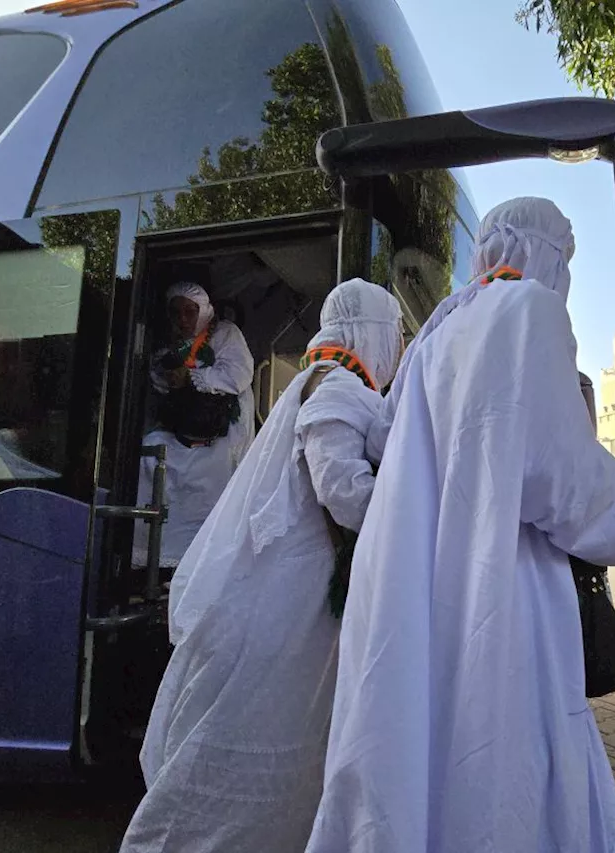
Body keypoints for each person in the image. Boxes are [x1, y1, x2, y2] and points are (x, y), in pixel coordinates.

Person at [305, 198, 615, 853]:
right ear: (546, 254)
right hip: (500, 584)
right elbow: (557, 478)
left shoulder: (437, 329)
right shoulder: (530, 311)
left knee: (413, 754)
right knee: (496, 762)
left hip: (410, 583)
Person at [120, 279, 404, 853]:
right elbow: (345, 492)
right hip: (291, 605)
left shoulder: (317, 379)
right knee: (263, 727)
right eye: (393, 331)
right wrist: (420, 509)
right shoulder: (339, 389)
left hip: (284, 595)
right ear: (370, 332)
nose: (396, 346)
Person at [134, 283, 256, 569]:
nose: (183, 319)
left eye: (190, 312)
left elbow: (238, 375)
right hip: (182, 426)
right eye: (176, 312)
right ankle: (153, 555)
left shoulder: (226, 334)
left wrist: (191, 377)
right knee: (149, 452)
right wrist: (170, 377)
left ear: (204, 311)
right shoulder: (170, 341)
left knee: (216, 469)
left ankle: (206, 558)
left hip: (223, 427)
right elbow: (158, 378)